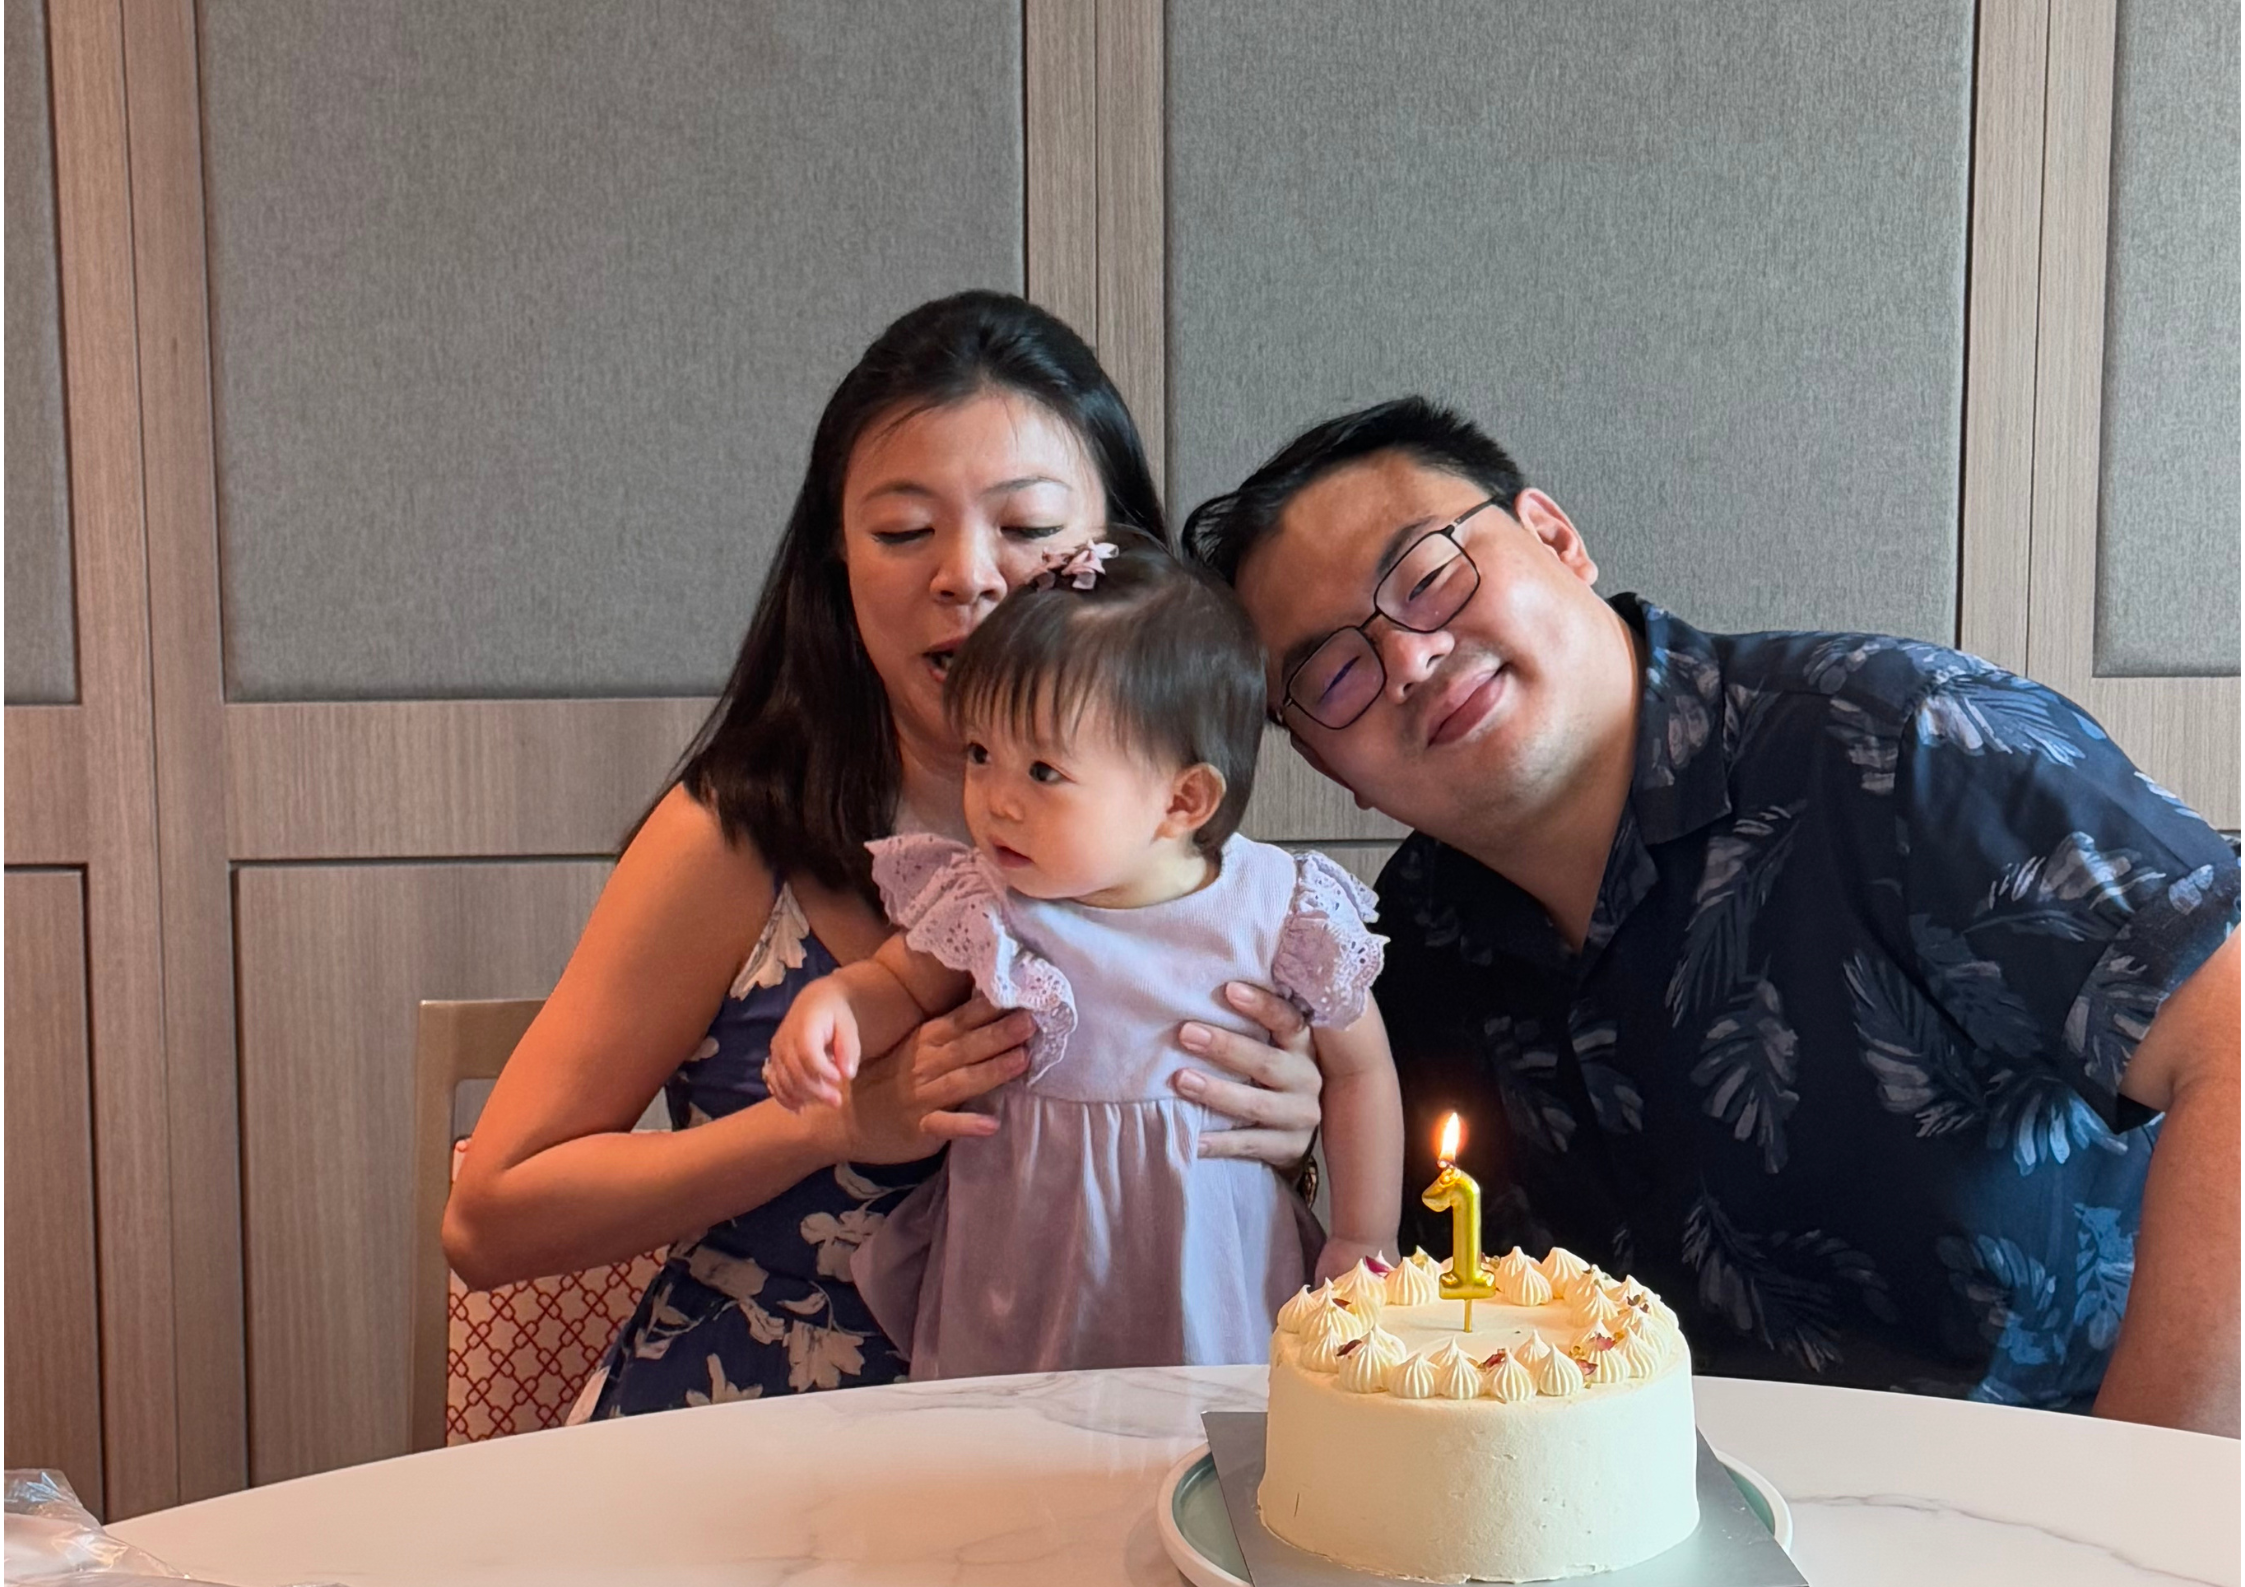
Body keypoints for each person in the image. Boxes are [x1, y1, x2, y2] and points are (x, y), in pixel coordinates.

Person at [1184, 396, 2240, 1432]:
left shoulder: (1896, 746)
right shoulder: (1402, 948)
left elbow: (2230, 1044)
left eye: (1425, 575)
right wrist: (1302, 1143)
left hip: (2032, 1507)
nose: (1409, 660)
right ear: (1327, 765)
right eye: (1332, 674)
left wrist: (2136, 1504)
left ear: (1557, 539)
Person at [440, 292, 1327, 1411]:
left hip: (1103, 1451)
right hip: (766, 1435)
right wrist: (833, 1125)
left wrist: (1290, 1133)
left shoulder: (1194, 864)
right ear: (837, 564)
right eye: (904, 531)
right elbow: (490, 1222)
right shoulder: (736, 834)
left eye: (1027, 528)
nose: (967, 574)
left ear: (1123, 554)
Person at [763, 539, 1403, 1378]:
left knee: (1208, 1446)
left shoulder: (1279, 905)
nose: (994, 798)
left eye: (1042, 769)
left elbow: (1359, 1073)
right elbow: (893, 982)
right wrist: (831, 1011)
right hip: (1023, 1263)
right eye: (981, 754)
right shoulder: (987, 898)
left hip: (1207, 1257)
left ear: (1182, 798)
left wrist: (1364, 1231)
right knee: (1012, 1467)